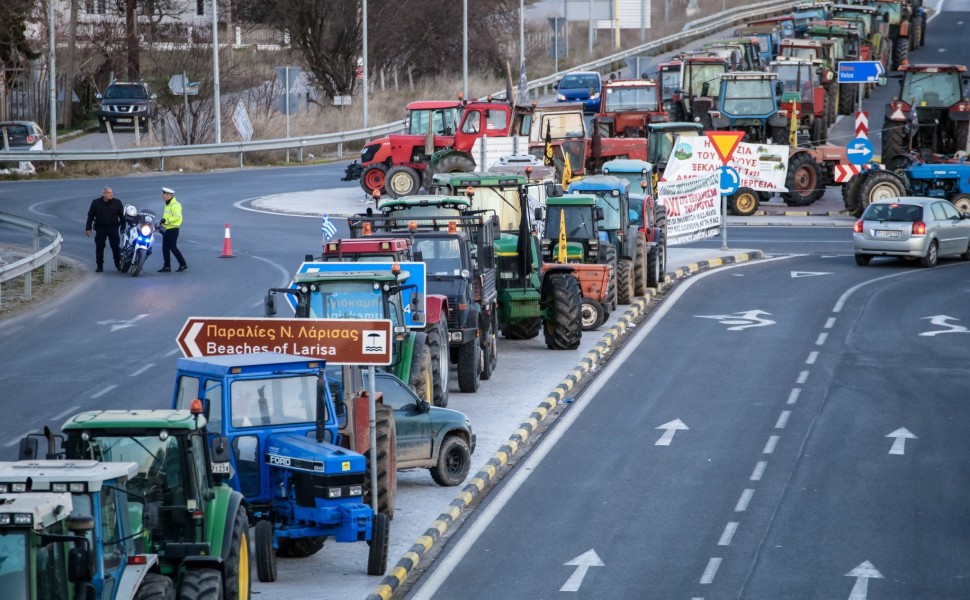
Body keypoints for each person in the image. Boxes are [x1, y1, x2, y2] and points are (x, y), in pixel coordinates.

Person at [85, 186, 124, 272]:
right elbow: (90, 215)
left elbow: (122, 216)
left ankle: (118, 265)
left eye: (111, 193)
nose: (111, 195)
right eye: (109, 193)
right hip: (100, 228)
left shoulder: (117, 202)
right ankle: (99, 266)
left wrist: (123, 227)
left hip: (113, 228)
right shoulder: (96, 203)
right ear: (104, 194)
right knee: (99, 247)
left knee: (115, 247)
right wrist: (88, 228)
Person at [158, 187, 188, 272]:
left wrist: (166, 221)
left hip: (173, 229)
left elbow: (177, 217)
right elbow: (166, 216)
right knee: (165, 248)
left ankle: (183, 264)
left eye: (164, 195)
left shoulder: (175, 205)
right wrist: (161, 223)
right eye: (163, 194)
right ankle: (167, 266)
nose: (162, 196)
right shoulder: (168, 204)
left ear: (169, 195)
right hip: (167, 229)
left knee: (173, 247)